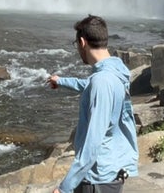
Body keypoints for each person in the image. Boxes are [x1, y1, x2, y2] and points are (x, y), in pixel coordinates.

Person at [46, 14, 139, 193]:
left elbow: (93, 142)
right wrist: (62, 81)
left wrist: (65, 187)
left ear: (82, 42)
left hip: (97, 179)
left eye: (76, 45)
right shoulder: (115, 71)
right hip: (110, 171)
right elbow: (89, 85)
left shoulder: (102, 82)